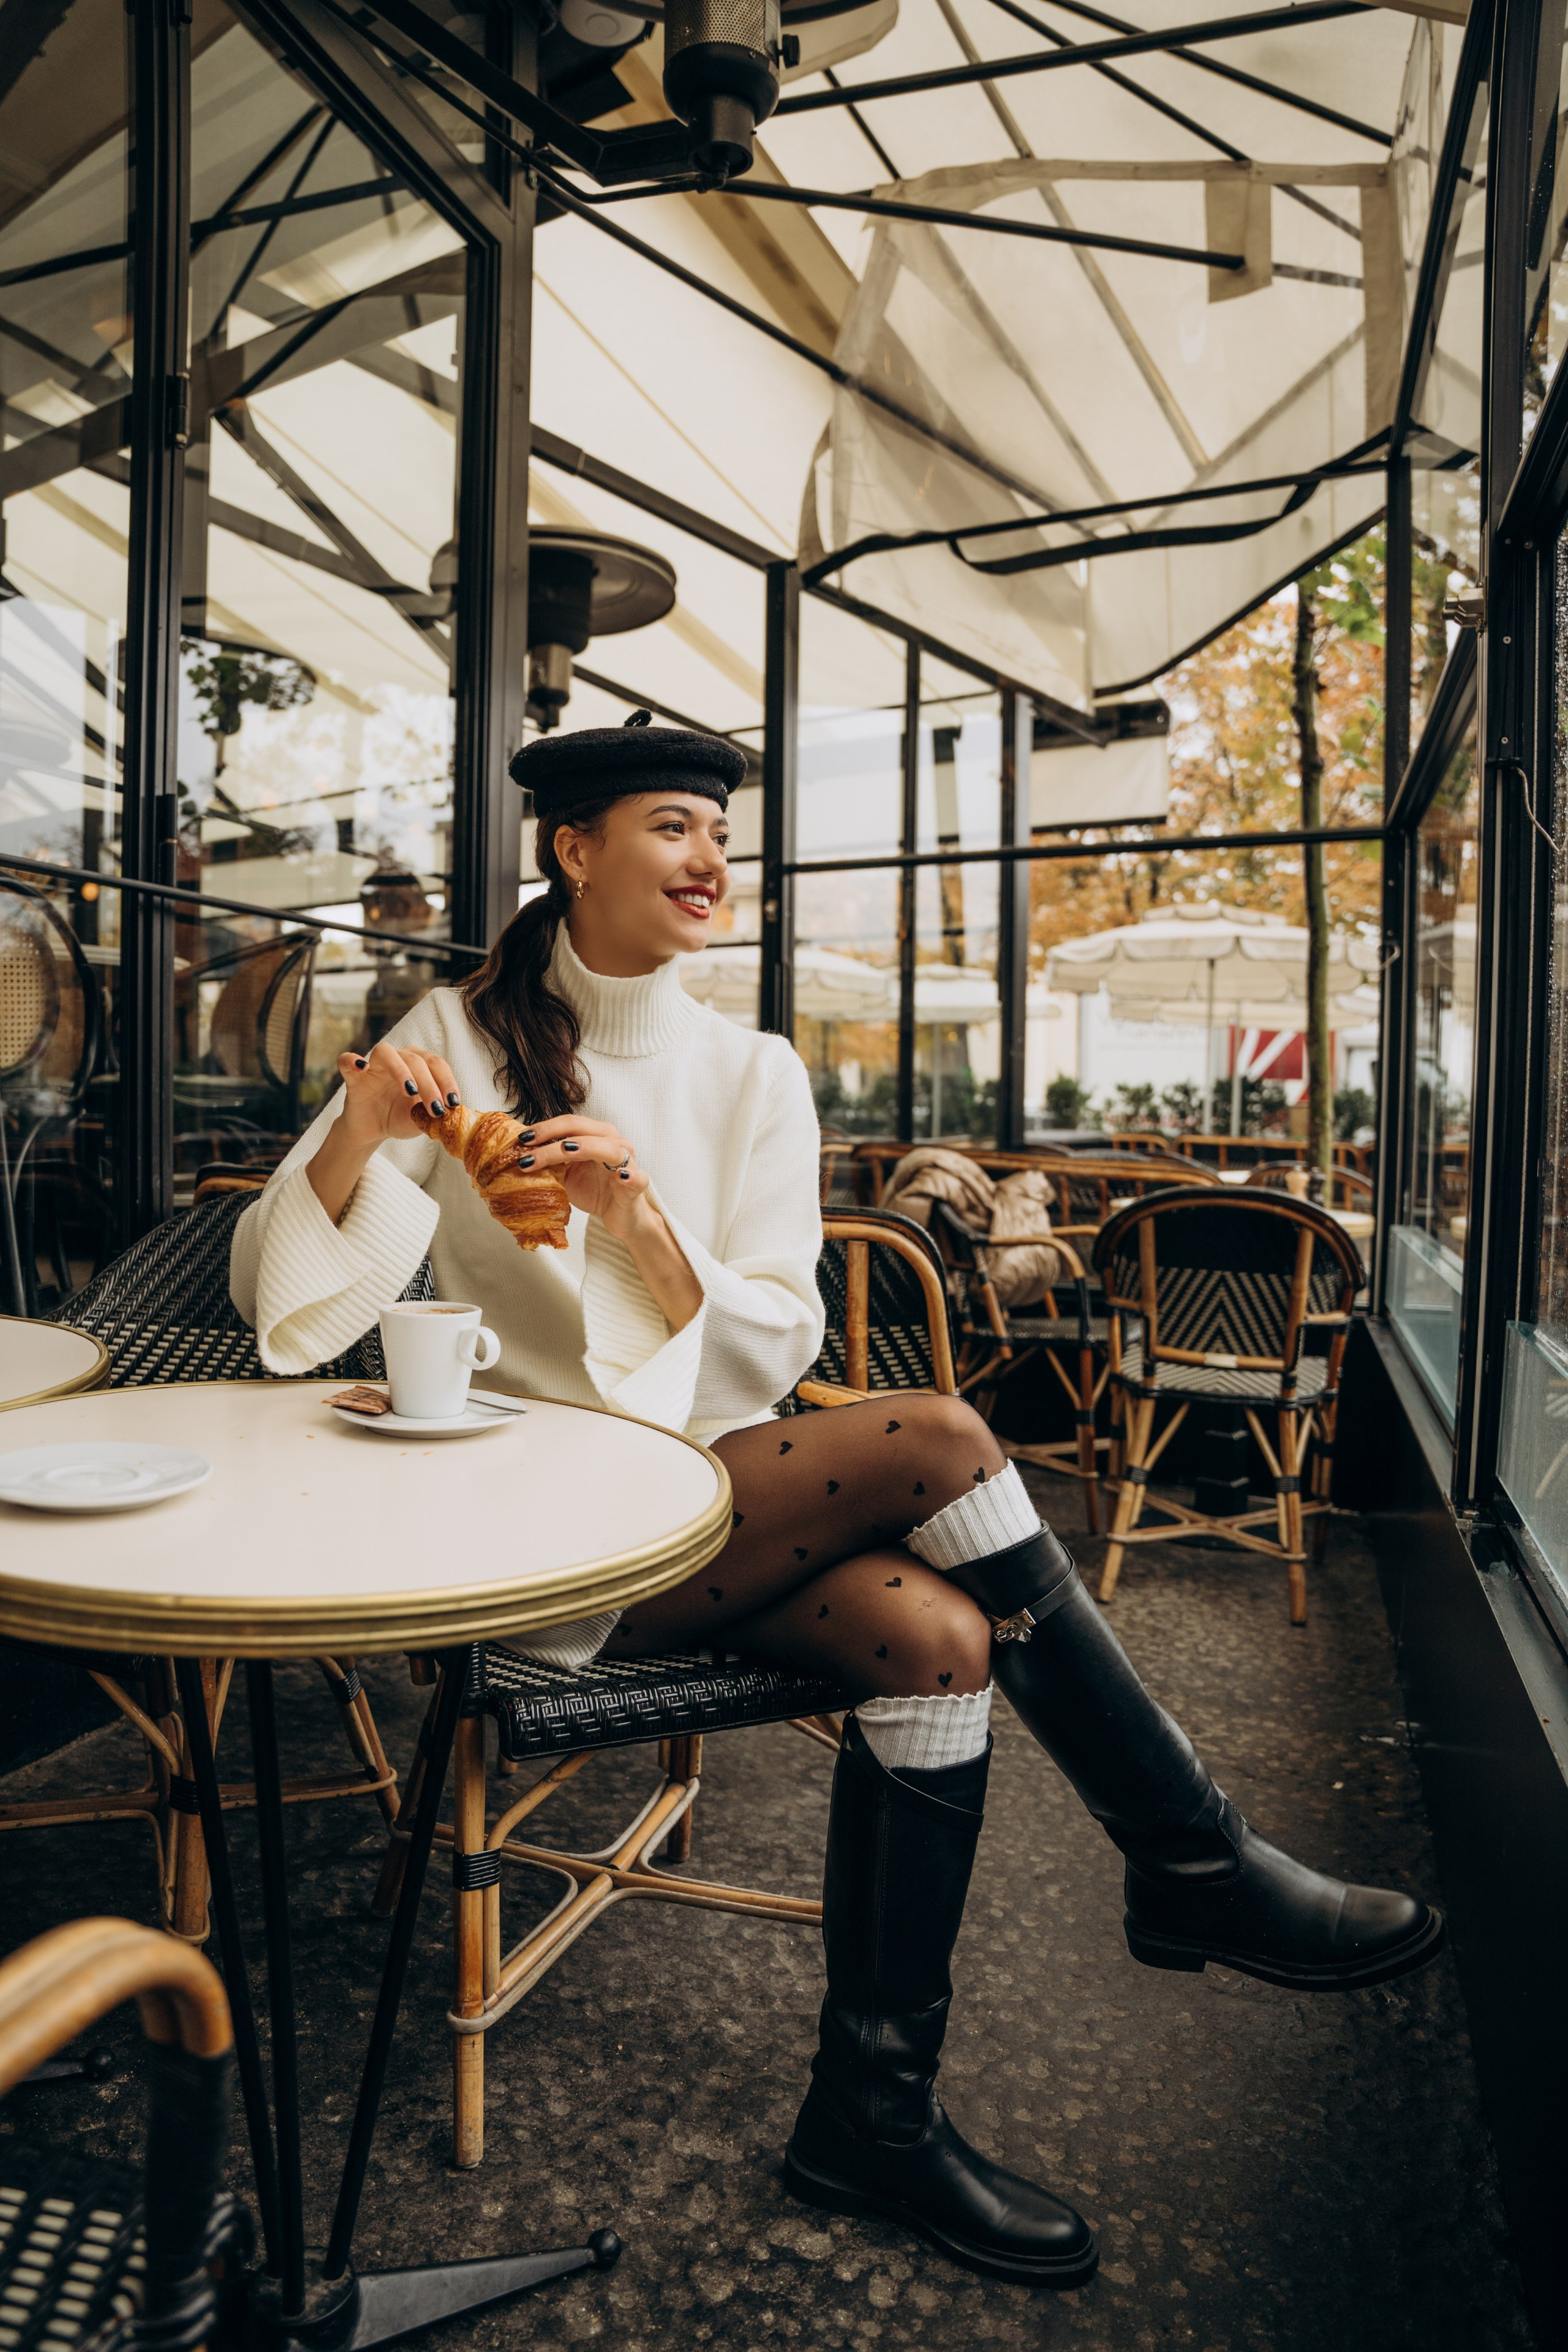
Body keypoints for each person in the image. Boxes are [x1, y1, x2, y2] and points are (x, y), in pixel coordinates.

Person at [232, 714, 1443, 2293]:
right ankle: (1190, 1856)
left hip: (707, 1516)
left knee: (940, 1636)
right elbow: (288, 1312)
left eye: (719, 836)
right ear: (574, 850)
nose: (711, 861)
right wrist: (369, 1142)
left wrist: (642, 1220)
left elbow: (781, 1338)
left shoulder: (754, 1074)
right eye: (672, 828)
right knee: (940, 1435)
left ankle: (870, 2117)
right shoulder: (449, 1046)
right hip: (529, 1528)